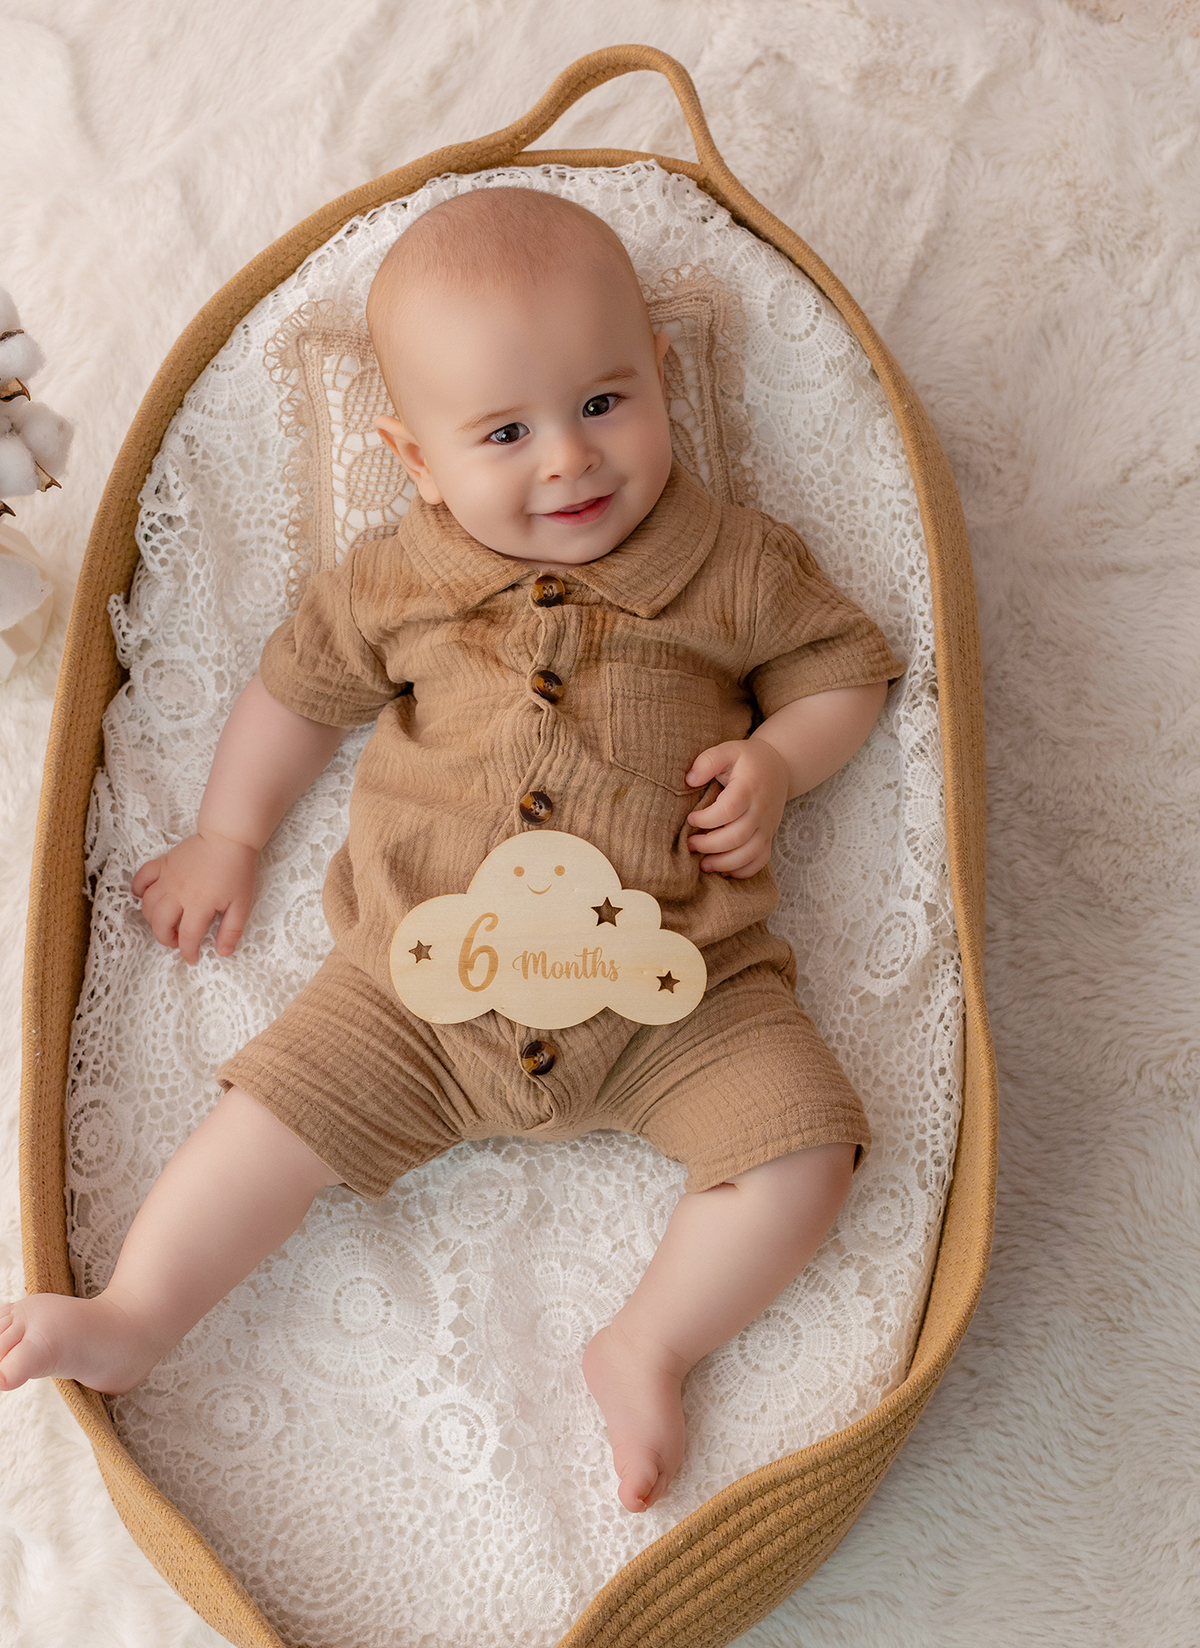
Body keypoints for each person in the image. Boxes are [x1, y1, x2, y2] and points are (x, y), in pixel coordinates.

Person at [0, 187, 904, 1513]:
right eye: (504, 433)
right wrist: (228, 834)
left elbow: (846, 668)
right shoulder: (397, 579)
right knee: (263, 1123)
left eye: (605, 404)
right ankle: (137, 1313)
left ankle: (649, 1339)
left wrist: (781, 760)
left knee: (804, 1148)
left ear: (661, 374)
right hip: (415, 990)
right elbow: (294, 693)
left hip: (680, 986)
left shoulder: (732, 563)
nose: (569, 464)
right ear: (415, 459)